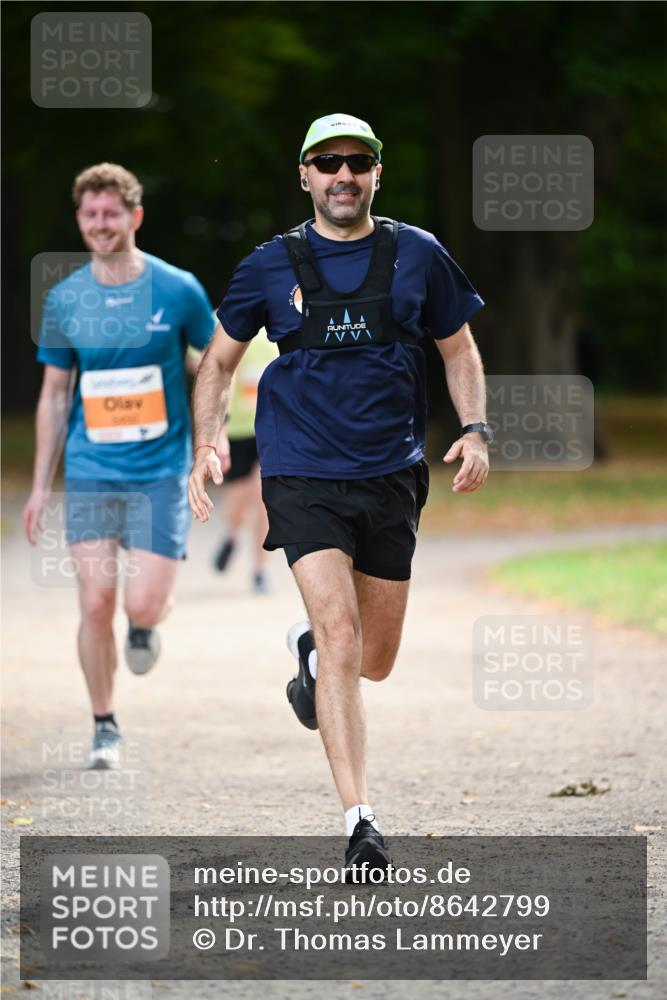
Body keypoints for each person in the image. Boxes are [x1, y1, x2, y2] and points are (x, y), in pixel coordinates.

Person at [188, 114, 490, 877]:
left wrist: (477, 428)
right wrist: (208, 440)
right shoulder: (268, 265)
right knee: (343, 638)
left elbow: (458, 348)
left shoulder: (417, 253)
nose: (343, 175)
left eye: (357, 162)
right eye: (327, 163)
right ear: (305, 176)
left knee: (375, 661)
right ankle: (360, 820)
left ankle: (309, 655)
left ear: (376, 173)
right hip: (301, 475)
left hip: (390, 474)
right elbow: (219, 364)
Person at [23, 163, 215, 770]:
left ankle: (147, 623)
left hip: (161, 469)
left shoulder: (177, 288)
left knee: (143, 605)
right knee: (95, 601)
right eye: (90, 215)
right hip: (92, 470)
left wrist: (212, 437)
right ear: (80, 221)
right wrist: (36, 487)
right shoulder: (65, 297)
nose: (100, 224)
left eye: (111, 213)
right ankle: (104, 723)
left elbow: (212, 364)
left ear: (133, 216)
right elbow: (56, 394)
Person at [213, 329, 278, 593]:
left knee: (264, 498)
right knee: (239, 498)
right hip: (237, 428)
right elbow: (197, 359)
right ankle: (231, 536)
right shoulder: (222, 319)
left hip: (270, 426)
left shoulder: (282, 316)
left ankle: (260, 570)